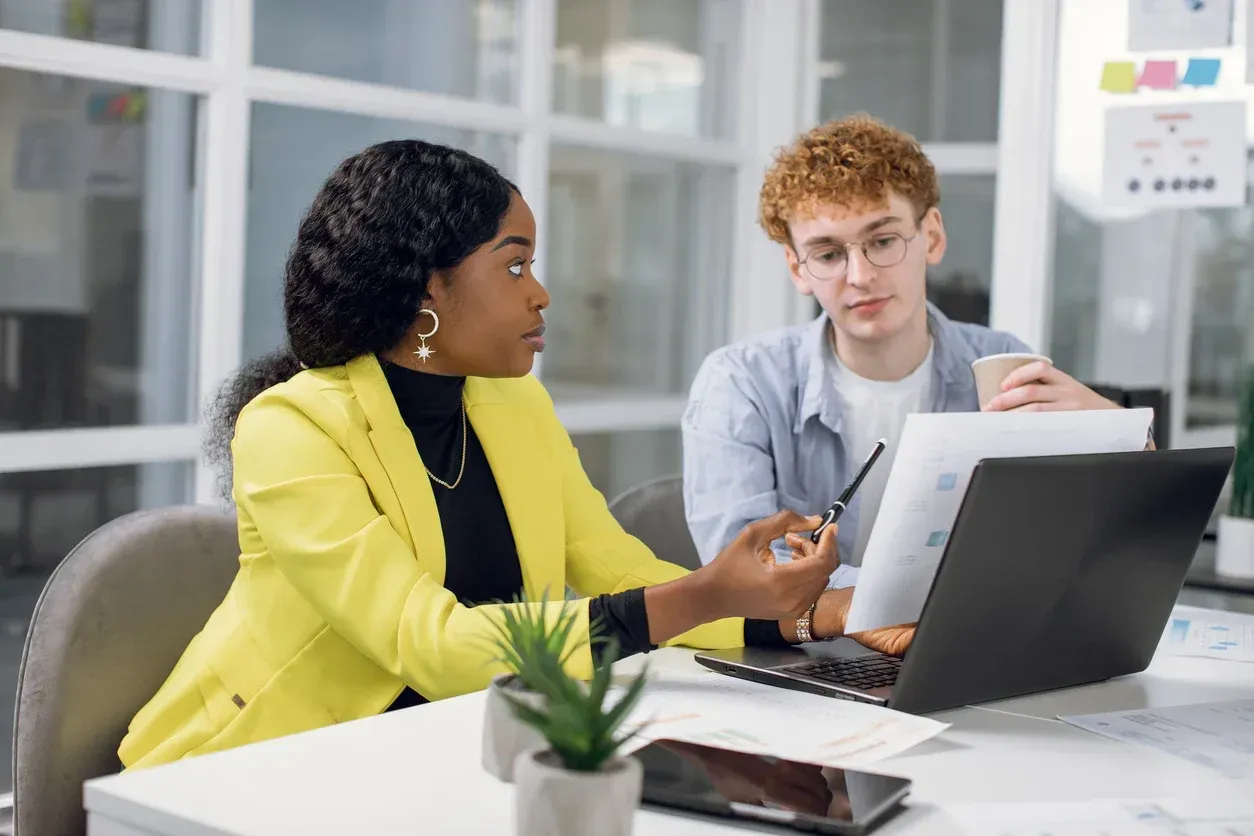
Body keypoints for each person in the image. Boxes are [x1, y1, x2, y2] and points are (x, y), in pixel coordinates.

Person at [120, 140, 911, 771]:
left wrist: (816, 614)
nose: (542, 292)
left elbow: (620, 572)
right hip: (253, 775)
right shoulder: (287, 429)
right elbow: (434, 646)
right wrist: (706, 595)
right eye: (514, 264)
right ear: (429, 289)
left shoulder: (512, 403)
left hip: (444, 760)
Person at [683, 115, 1134, 584]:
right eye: (829, 254)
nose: (859, 276)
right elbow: (746, 574)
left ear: (932, 237)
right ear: (798, 268)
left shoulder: (1002, 363)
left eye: (882, 241)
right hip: (802, 650)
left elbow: (1072, 549)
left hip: (962, 642)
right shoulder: (742, 382)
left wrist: (1118, 442)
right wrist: (917, 598)